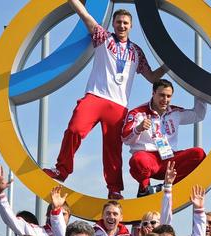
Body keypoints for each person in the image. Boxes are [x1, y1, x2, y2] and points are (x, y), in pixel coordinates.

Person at [43, 2, 167, 199]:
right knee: (74, 129)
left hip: (118, 106)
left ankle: (114, 189)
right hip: (95, 96)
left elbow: (152, 77)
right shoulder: (103, 37)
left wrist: (170, 65)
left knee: (113, 149)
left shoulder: (137, 52)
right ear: (113, 23)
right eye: (118, 22)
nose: (122, 26)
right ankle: (62, 170)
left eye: (126, 23)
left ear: (131, 26)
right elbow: (84, 15)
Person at [122, 79, 207, 197]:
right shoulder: (138, 113)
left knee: (199, 153)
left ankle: (169, 187)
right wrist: (138, 129)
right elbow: (125, 139)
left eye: (168, 96)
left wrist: (202, 92)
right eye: (162, 95)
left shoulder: (174, 112)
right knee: (138, 160)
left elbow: (198, 115)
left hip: (169, 160)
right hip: (149, 160)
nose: (165, 100)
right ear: (153, 93)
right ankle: (144, 188)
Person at [0, 165, 69, 236]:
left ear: (69, 216)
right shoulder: (36, 232)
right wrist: (0, 194)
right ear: (48, 214)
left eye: (64, 214)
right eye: (56, 212)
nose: (60, 216)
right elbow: (11, 220)